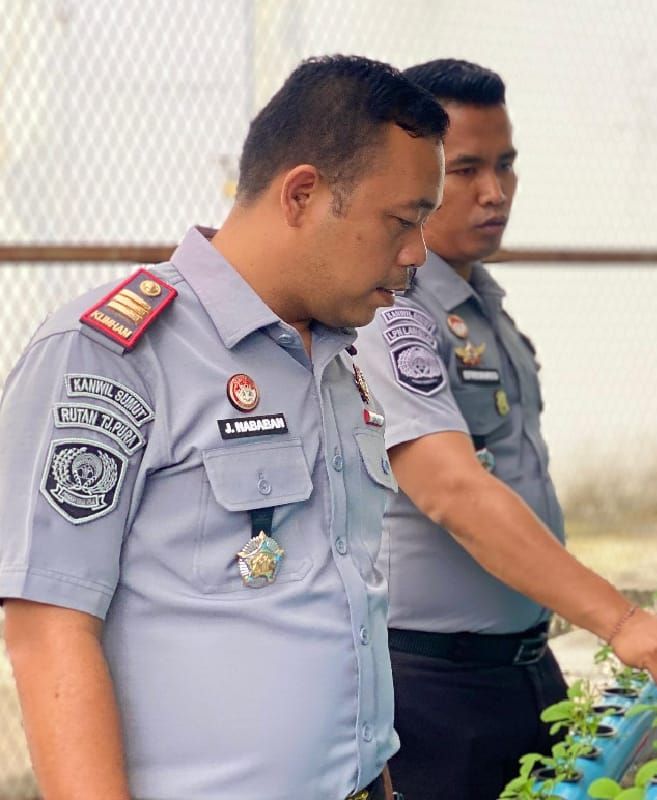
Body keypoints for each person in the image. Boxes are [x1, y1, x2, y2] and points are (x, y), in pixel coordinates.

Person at [0, 55, 447, 800]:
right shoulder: (112, 354)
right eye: (401, 222)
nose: (416, 254)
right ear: (302, 193)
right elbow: (47, 629)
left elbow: (344, 602)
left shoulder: (343, 356)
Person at [354, 58, 657, 800]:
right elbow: (451, 490)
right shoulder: (391, 312)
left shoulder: (481, 306)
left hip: (521, 666)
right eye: (467, 170)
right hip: (435, 690)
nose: (496, 192)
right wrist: (620, 620)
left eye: (507, 166)